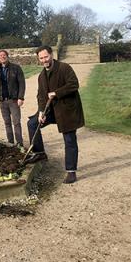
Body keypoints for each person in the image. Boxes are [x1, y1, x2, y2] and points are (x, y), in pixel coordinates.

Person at [26, 45, 84, 184]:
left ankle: (71, 171)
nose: (44, 60)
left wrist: (56, 93)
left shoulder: (64, 68)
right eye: (41, 58)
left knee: (69, 140)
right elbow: (41, 96)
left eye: (46, 56)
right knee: (33, 123)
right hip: (51, 111)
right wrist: (41, 112)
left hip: (66, 111)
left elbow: (74, 84)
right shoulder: (41, 76)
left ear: (51, 55)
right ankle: (40, 153)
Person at [0, 49, 26, 147]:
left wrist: (21, 97)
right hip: (2, 101)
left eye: (4, 55)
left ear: (7, 56)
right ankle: (10, 143)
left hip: (14, 100)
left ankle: (19, 144)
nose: (2, 56)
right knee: (7, 123)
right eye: (0, 55)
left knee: (16, 122)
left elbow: (22, 83)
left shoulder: (16, 68)